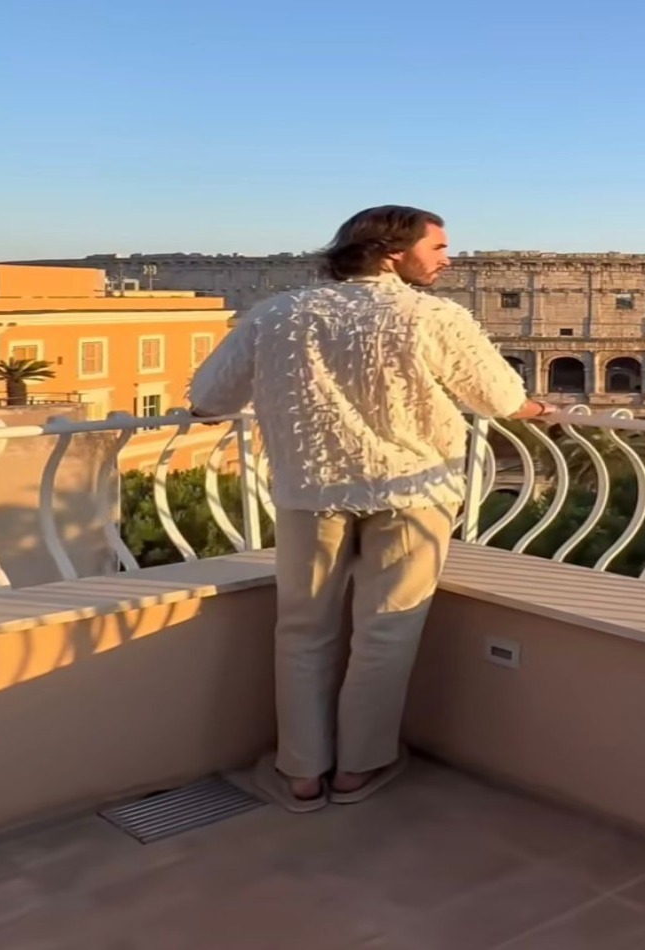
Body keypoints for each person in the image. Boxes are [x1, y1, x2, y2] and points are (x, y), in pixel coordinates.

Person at [189, 205, 555, 812]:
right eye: (437, 247)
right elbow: (498, 398)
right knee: (387, 631)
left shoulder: (277, 314)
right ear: (393, 252)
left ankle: (302, 773)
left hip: (312, 489)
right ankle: (359, 769)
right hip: (414, 490)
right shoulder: (432, 316)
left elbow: (207, 398)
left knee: (303, 630)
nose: (448, 258)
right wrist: (538, 411)